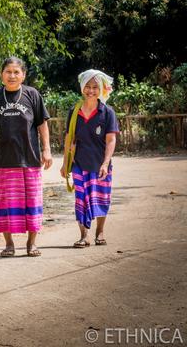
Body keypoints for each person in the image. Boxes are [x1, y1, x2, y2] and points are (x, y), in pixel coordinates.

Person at [0, 56, 52, 257]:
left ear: (23, 75)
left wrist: (46, 149)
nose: (12, 75)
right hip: (5, 161)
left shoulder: (33, 95)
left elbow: (42, 124)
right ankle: (9, 244)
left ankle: (31, 244)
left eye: (16, 72)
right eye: (8, 72)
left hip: (30, 158)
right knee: (5, 203)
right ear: (2, 75)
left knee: (33, 202)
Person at [60, 69, 119, 248]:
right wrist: (65, 163)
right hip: (79, 163)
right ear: (82, 88)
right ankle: (83, 236)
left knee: (102, 197)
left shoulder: (107, 112)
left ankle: (99, 232)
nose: (91, 90)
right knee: (81, 199)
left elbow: (111, 139)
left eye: (95, 87)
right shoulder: (74, 111)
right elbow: (69, 138)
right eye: (87, 86)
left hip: (100, 164)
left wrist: (106, 162)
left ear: (101, 89)